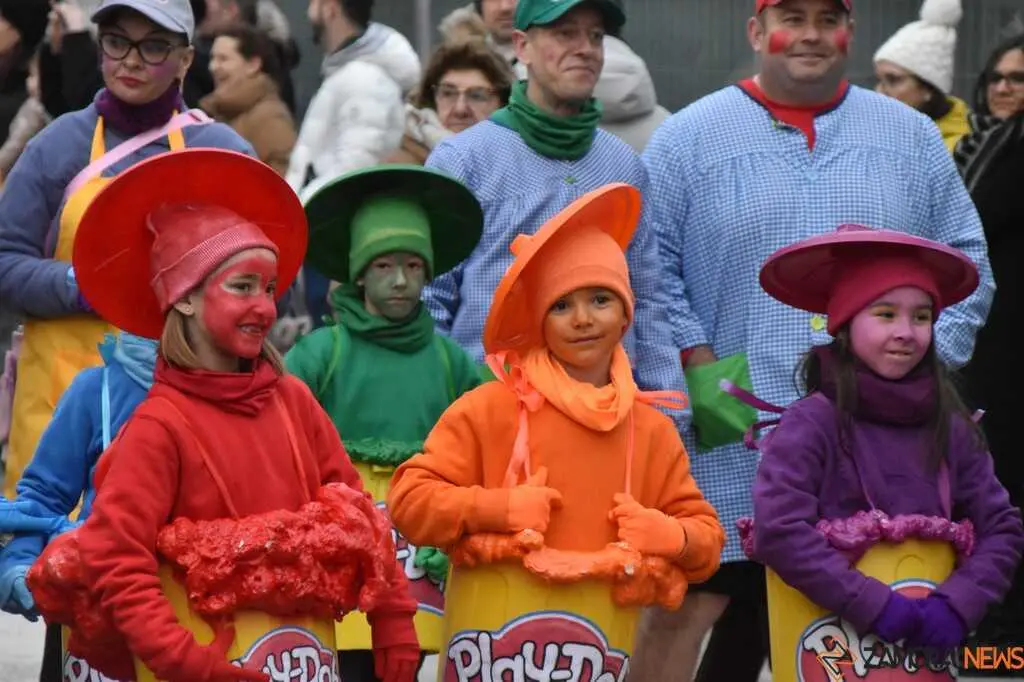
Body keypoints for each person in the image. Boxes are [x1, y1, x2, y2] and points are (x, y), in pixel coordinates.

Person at [637, 0, 994, 679]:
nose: (808, 35)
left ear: (849, 33)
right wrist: (697, 366)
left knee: (853, 613)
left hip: (875, 431)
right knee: (700, 604)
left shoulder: (909, 137)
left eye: (826, 18)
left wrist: (921, 362)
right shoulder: (688, 138)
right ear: (753, 30)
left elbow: (967, 261)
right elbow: (649, 270)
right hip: (735, 419)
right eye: (789, 16)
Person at [32, 148, 420, 682]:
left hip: (308, 661)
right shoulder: (158, 427)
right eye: (242, 287)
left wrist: (394, 620)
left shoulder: (294, 401)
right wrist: (188, 664)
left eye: (268, 288)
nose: (264, 307)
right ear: (184, 300)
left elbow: (360, 517)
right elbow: (117, 564)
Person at [388, 183, 724, 670]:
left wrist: (672, 536)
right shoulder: (488, 408)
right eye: (561, 305)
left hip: (602, 652)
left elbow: (707, 541)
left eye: (601, 300)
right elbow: (410, 502)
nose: (583, 319)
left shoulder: (651, 431)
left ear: (627, 313)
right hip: (490, 654)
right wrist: (497, 508)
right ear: (539, 320)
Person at [0, 0, 253, 500]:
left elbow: (267, 274)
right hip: (58, 401)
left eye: (153, 45)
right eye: (117, 42)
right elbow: (6, 259)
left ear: (185, 60)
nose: (131, 60)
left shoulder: (222, 151)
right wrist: (86, 285)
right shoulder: (56, 146)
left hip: (188, 403)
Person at [743, 225, 1024, 670]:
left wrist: (957, 604)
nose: (906, 332)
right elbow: (780, 529)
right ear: (845, 323)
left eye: (922, 316)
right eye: (886, 313)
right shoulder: (811, 423)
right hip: (830, 653)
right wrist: (874, 604)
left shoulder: (950, 429)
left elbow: (1002, 528)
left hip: (924, 661)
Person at [422, 0, 687, 434]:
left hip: (606, 423)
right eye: (566, 33)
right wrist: (449, 418)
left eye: (596, 36)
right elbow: (430, 299)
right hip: (492, 421)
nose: (585, 48)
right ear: (522, 46)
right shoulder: (463, 159)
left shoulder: (624, 166)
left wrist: (669, 414)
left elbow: (649, 298)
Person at [284, 164, 485, 679]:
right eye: (383, 265)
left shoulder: (450, 362)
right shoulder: (319, 353)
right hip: (339, 540)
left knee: (406, 661)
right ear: (358, 273)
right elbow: (274, 437)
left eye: (414, 265)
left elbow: (494, 437)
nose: (400, 280)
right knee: (344, 658)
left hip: (420, 549)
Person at [1, 332, 156, 682]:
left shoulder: (249, 394)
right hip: (91, 609)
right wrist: (20, 564)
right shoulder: (96, 390)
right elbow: (43, 495)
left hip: (200, 614)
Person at [955, 33, 1024, 658]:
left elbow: (963, 226)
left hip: (1006, 351)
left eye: (1020, 79)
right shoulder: (980, 141)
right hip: (988, 344)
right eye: (997, 77)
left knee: (1003, 480)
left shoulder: (1011, 147)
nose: (1005, 89)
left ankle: (1003, 634)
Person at [384, 40, 513, 165]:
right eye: (448, 93)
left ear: (503, 103)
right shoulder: (400, 166)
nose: (460, 109)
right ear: (432, 99)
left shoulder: (518, 162)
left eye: (476, 96)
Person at [873, 0, 970, 151]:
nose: (879, 92)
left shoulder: (961, 150)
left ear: (928, 89)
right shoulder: (883, 135)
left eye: (893, 80)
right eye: (879, 80)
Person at [202, 24, 296, 175]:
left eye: (223, 59)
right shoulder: (214, 114)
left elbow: (281, 185)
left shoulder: (271, 118)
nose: (213, 67)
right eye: (212, 58)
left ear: (253, 65)